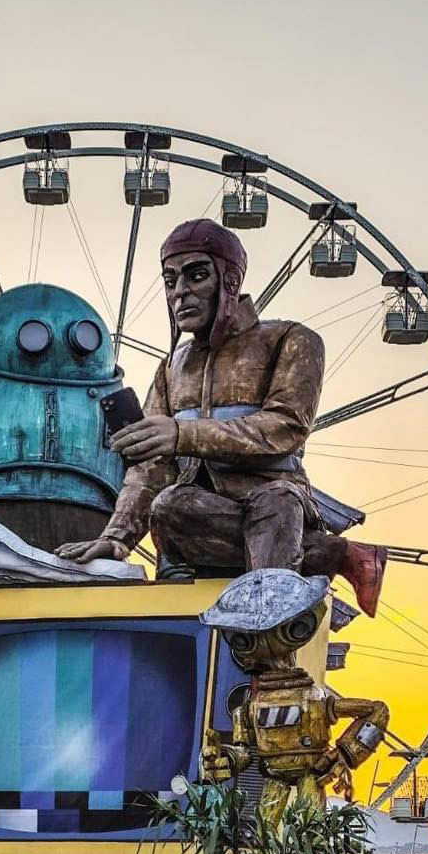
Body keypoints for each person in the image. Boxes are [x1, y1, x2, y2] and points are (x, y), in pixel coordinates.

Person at [56, 218, 387, 617]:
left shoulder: (290, 340)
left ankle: (271, 650)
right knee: (168, 504)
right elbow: (151, 468)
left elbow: (285, 428)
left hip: (275, 499)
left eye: (196, 276)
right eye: (170, 280)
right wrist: (117, 537)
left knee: (275, 505)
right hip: (201, 515)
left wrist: (183, 434)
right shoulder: (170, 368)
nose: (181, 292)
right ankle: (337, 554)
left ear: (229, 281)